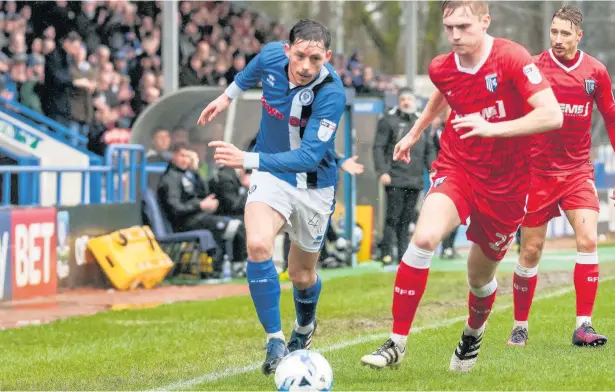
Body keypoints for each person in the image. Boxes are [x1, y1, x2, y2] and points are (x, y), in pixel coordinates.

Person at [360, 0, 563, 373]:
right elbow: (444, 90)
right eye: (449, 27)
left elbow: (552, 114)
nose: (455, 35)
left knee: (480, 278)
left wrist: (493, 128)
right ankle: (396, 343)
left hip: (508, 184)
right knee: (422, 239)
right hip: (459, 168)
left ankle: (473, 333)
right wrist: (414, 132)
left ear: (486, 22)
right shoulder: (441, 65)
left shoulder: (511, 58)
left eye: (464, 27)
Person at [197, 19, 346, 375]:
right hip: (271, 176)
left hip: (314, 185)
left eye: (315, 59)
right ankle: (275, 339)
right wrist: (225, 98)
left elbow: (309, 156)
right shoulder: (268, 56)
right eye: (299, 56)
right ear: (287, 51)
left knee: (301, 275)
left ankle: (304, 328)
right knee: (259, 245)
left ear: (327, 56)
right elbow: (248, 74)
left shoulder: (332, 94)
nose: (306, 66)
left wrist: (246, 159)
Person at [507, 5, 614, 347]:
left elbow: (611, 118)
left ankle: (583, 326)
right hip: (536, 174)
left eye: (565, 33)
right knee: (532, 251)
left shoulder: (595, 71)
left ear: (578, 36)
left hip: (577, 171)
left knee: (588, 241)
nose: (557, 39)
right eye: (554, 32)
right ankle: (520, 325)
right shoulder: (534, 68)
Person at [157, 143, 247, 275]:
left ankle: (230, 267)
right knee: (234, 226)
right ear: (173, 156)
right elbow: (175, 208)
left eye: (188, 157)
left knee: (237, 224)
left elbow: (204, 193)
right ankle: (225, 269)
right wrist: (200, 205)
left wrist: (196, 170)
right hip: (184, 223)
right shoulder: (169, 178)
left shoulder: (188, 175)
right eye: (182, 156)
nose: (186, 160)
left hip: (199, 218)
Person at [373, 87, 436, 265]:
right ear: (398, 101)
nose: (406, 102)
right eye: (403, 99)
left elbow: (429, 149)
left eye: (409, 98)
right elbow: (379, 147)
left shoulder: (421, 121)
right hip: (395, 177)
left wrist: (433, 168)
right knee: (392, 216)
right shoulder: (388, 120)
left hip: (415, 179)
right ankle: (386, 253)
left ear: (415, 101)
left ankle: (403, 256)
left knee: (407, 219)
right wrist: (383, 171)